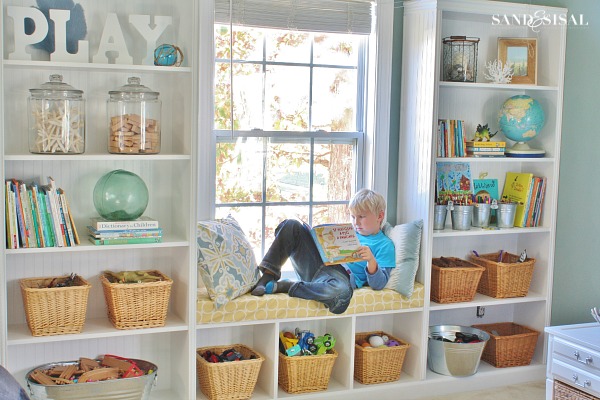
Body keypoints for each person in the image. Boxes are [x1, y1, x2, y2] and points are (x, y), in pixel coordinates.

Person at [251, 188, 395, 314]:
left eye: (362, 217)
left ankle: (289, 285)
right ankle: (267, 277)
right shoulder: (348, 231)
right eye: (353, 217)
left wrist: (371, 261)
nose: (356, 222)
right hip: (317, 264)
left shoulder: (385, 245)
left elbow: (379, 284)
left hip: (340, 277)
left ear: (380, 216)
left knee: (342, 293)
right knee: (291, 225)